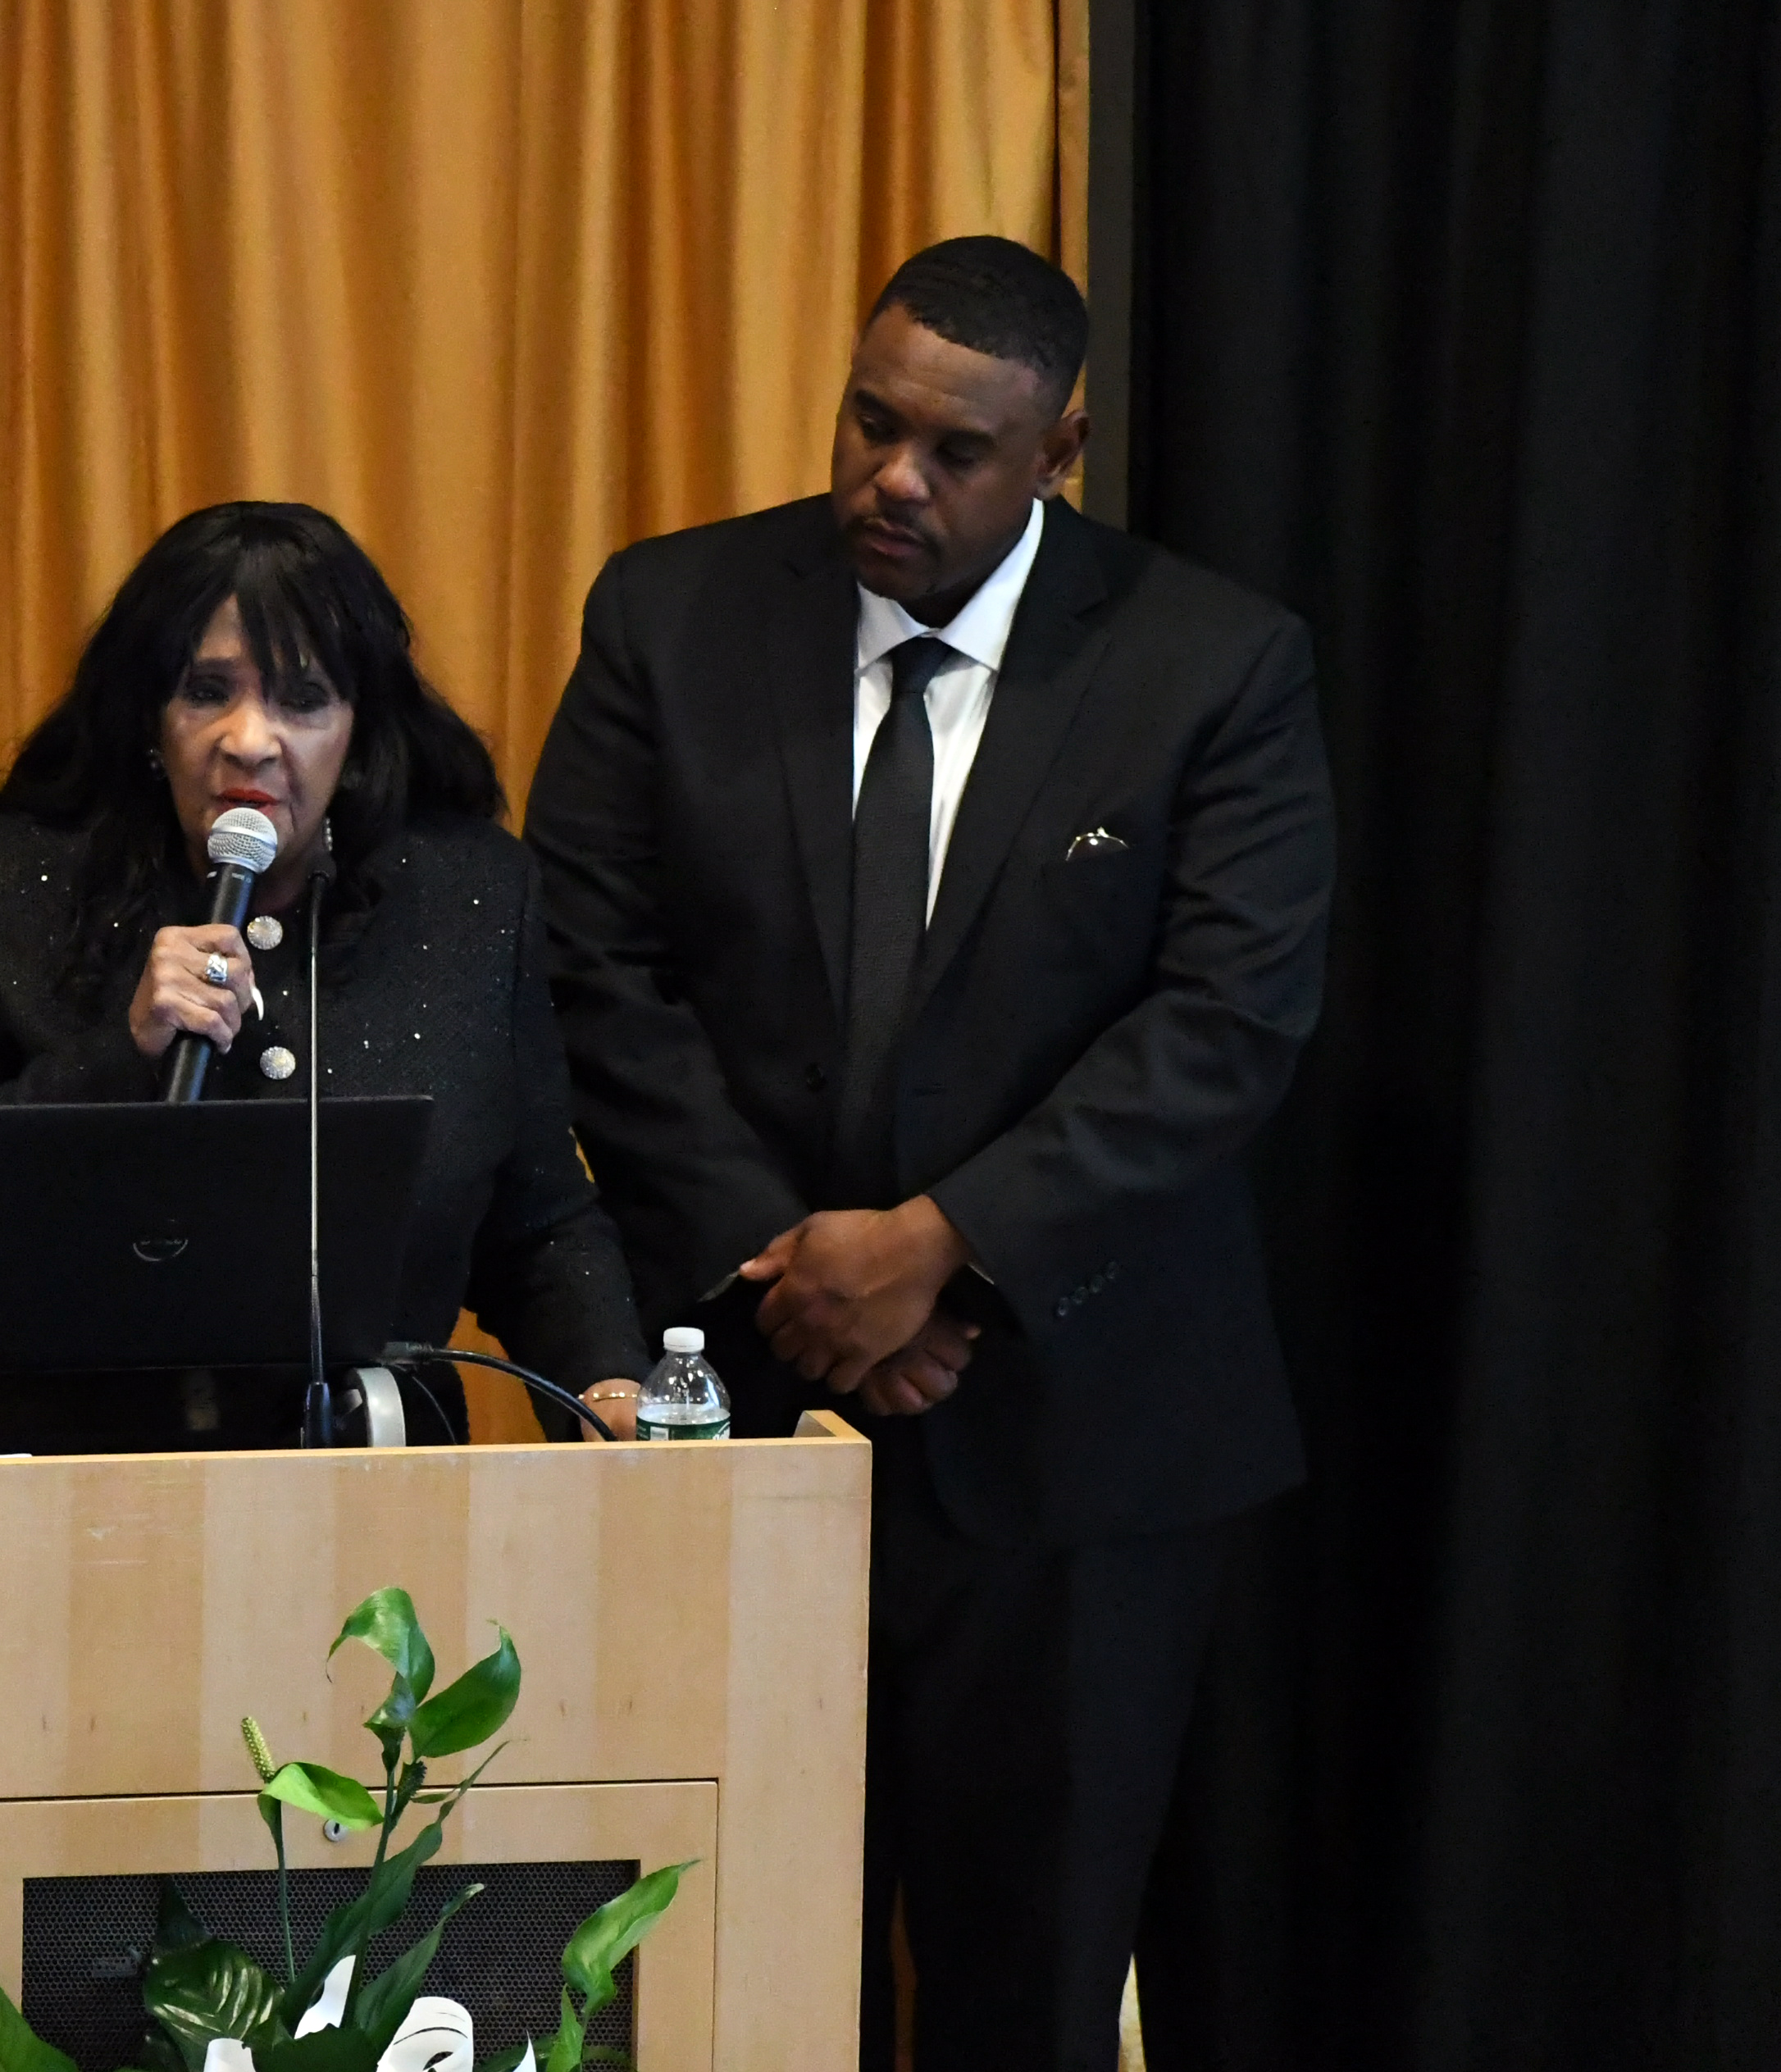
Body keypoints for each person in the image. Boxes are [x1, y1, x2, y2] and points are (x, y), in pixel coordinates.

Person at [522, 235, 1335, 2070]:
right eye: (870, 422)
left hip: (1084, 1449)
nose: (894, 477)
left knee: (1024, 1996)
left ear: (1058, 451)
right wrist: (798, 1263)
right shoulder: (672, 617)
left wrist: (942, 1249)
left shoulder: (1214, 666)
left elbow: (1225, 1029)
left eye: (957, 451)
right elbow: (587, 964)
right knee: (714, 1981)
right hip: (739, 1402)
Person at [0, 501, 651, 1444]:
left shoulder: (470, 898)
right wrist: (118, 1058)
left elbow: (540, 1221)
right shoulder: (11, 889)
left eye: (303, 699)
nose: (250, 740)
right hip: (58, 1483)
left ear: (358, 730)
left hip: (368, 1487)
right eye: (206, 690)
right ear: (151, 717)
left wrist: (610, 1389)